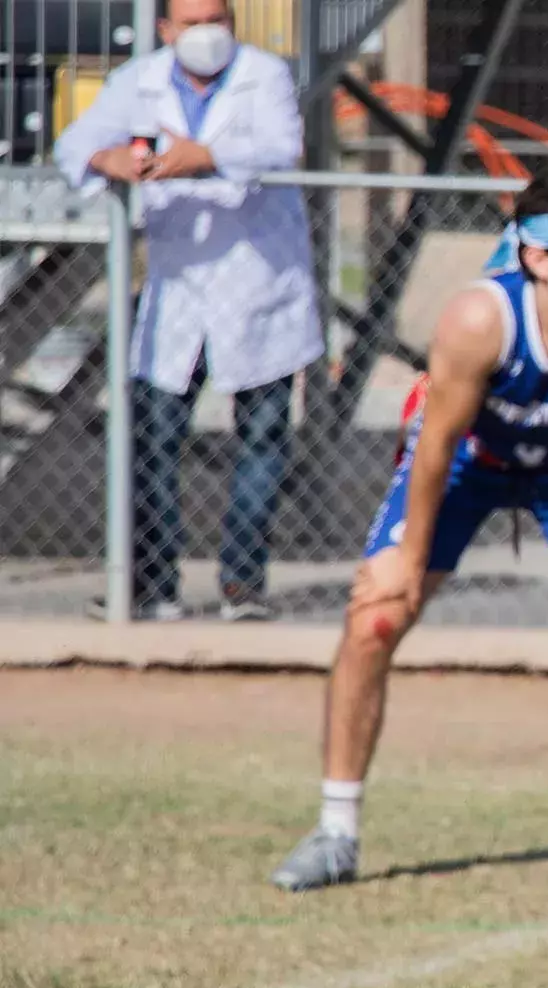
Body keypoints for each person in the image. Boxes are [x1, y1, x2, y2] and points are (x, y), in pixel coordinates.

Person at [269, 163, 548, 899]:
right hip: (472, 462)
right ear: (537, 257)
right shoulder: (478, 317)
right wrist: (406, 557)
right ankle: (336, 830)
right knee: (373, 619)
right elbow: (434, 444)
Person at [53, 0, 320, 622]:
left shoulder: (267, 74)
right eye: (194, 21)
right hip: (176, 290)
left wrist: (207, 157)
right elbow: (77, 142)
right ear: (166, 29)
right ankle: (153, 587)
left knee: (261, 440)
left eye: (218, 18)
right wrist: (108, 160)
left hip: (261, 285)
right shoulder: (137, 81)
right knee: (152, 438)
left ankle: (242, 585)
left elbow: (282, 145)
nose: (208, 33)